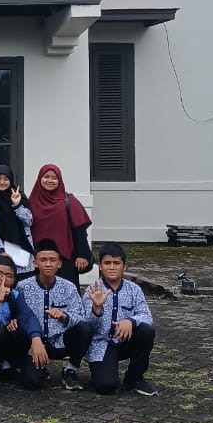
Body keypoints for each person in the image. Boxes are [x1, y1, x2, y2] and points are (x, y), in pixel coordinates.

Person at [16, 239, 93, 390]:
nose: (48, 264)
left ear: (60, 263)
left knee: (84, 328)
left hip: (60, 342)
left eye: (52, 260)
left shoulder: (69, 287)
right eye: (43, 260)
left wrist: (65, 316)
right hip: (33, 343)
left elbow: (81, 316)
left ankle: (70, 370)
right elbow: (16, 313)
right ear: (35, 263)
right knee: (31, 383)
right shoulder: (22, 287)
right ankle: (29, 365)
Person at [85, 243, 157, 395]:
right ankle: (103, 370)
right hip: (102, 344)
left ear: (124, 266)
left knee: (146, 330)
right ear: (100, 266)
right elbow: (86, 327)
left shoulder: (134, 289)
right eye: (107, 263)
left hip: (126, 341)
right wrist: (96, 309)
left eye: (116, 263)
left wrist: (131, 321)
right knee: (106, 386)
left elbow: (147, 316)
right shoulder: (92, 290)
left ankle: (135, 378)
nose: (112, 267)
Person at [0, 254, 48, 389]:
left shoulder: (14, 295)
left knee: (19, 328)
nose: (3, 279)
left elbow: (28, 316)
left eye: (9, 276)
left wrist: (36, 339)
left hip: (6, 342)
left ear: (14, 279)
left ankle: (8, 365)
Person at [28, 163, 92, 284]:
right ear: (40, 178)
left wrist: (82, 254)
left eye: (54, 178)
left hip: (64, 260)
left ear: (60, 180)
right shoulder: (30, 202)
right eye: (46, 177)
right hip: (37, 260)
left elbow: (80, 230)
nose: (50, 180)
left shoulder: (69, 201)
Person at [0, 164, 34, 257]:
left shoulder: (19, 196)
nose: (2, 182)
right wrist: (0, 249)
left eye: (6, 179)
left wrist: (17, 205)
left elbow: (29, 221)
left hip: (21, 251)